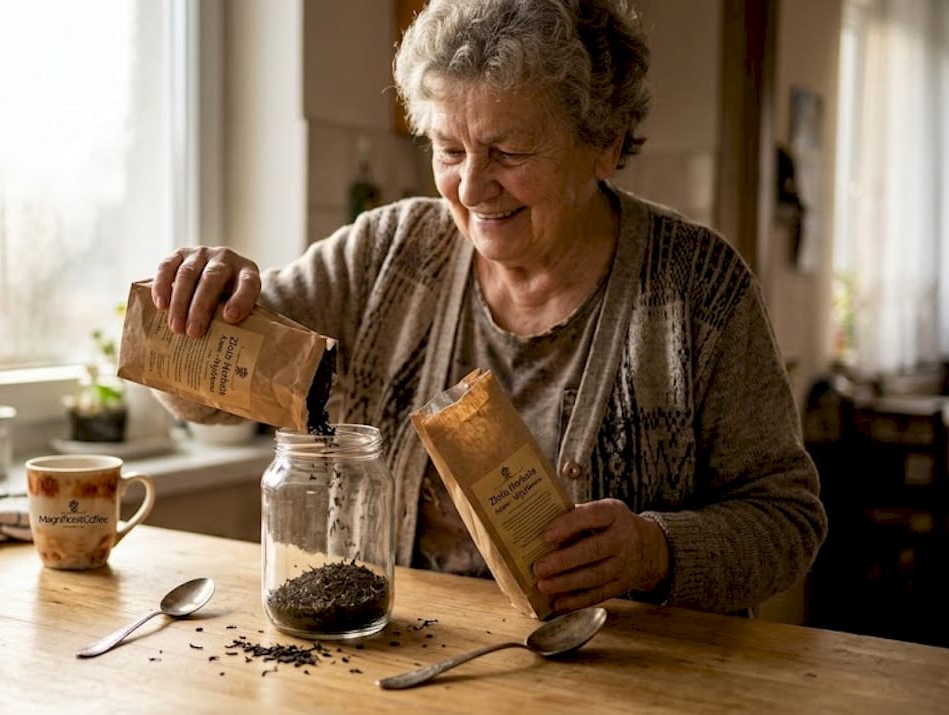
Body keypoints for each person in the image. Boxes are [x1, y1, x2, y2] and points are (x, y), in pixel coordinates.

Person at [148, 0, 827, 616]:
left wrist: (655, 550)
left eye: (507, 151)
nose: (471, 186)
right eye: (449, 149)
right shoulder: (384, 254)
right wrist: (203, 308)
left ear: (605, 144)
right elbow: (203, 395)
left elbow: (787, 520)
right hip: (401, 671)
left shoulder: (699, 289)